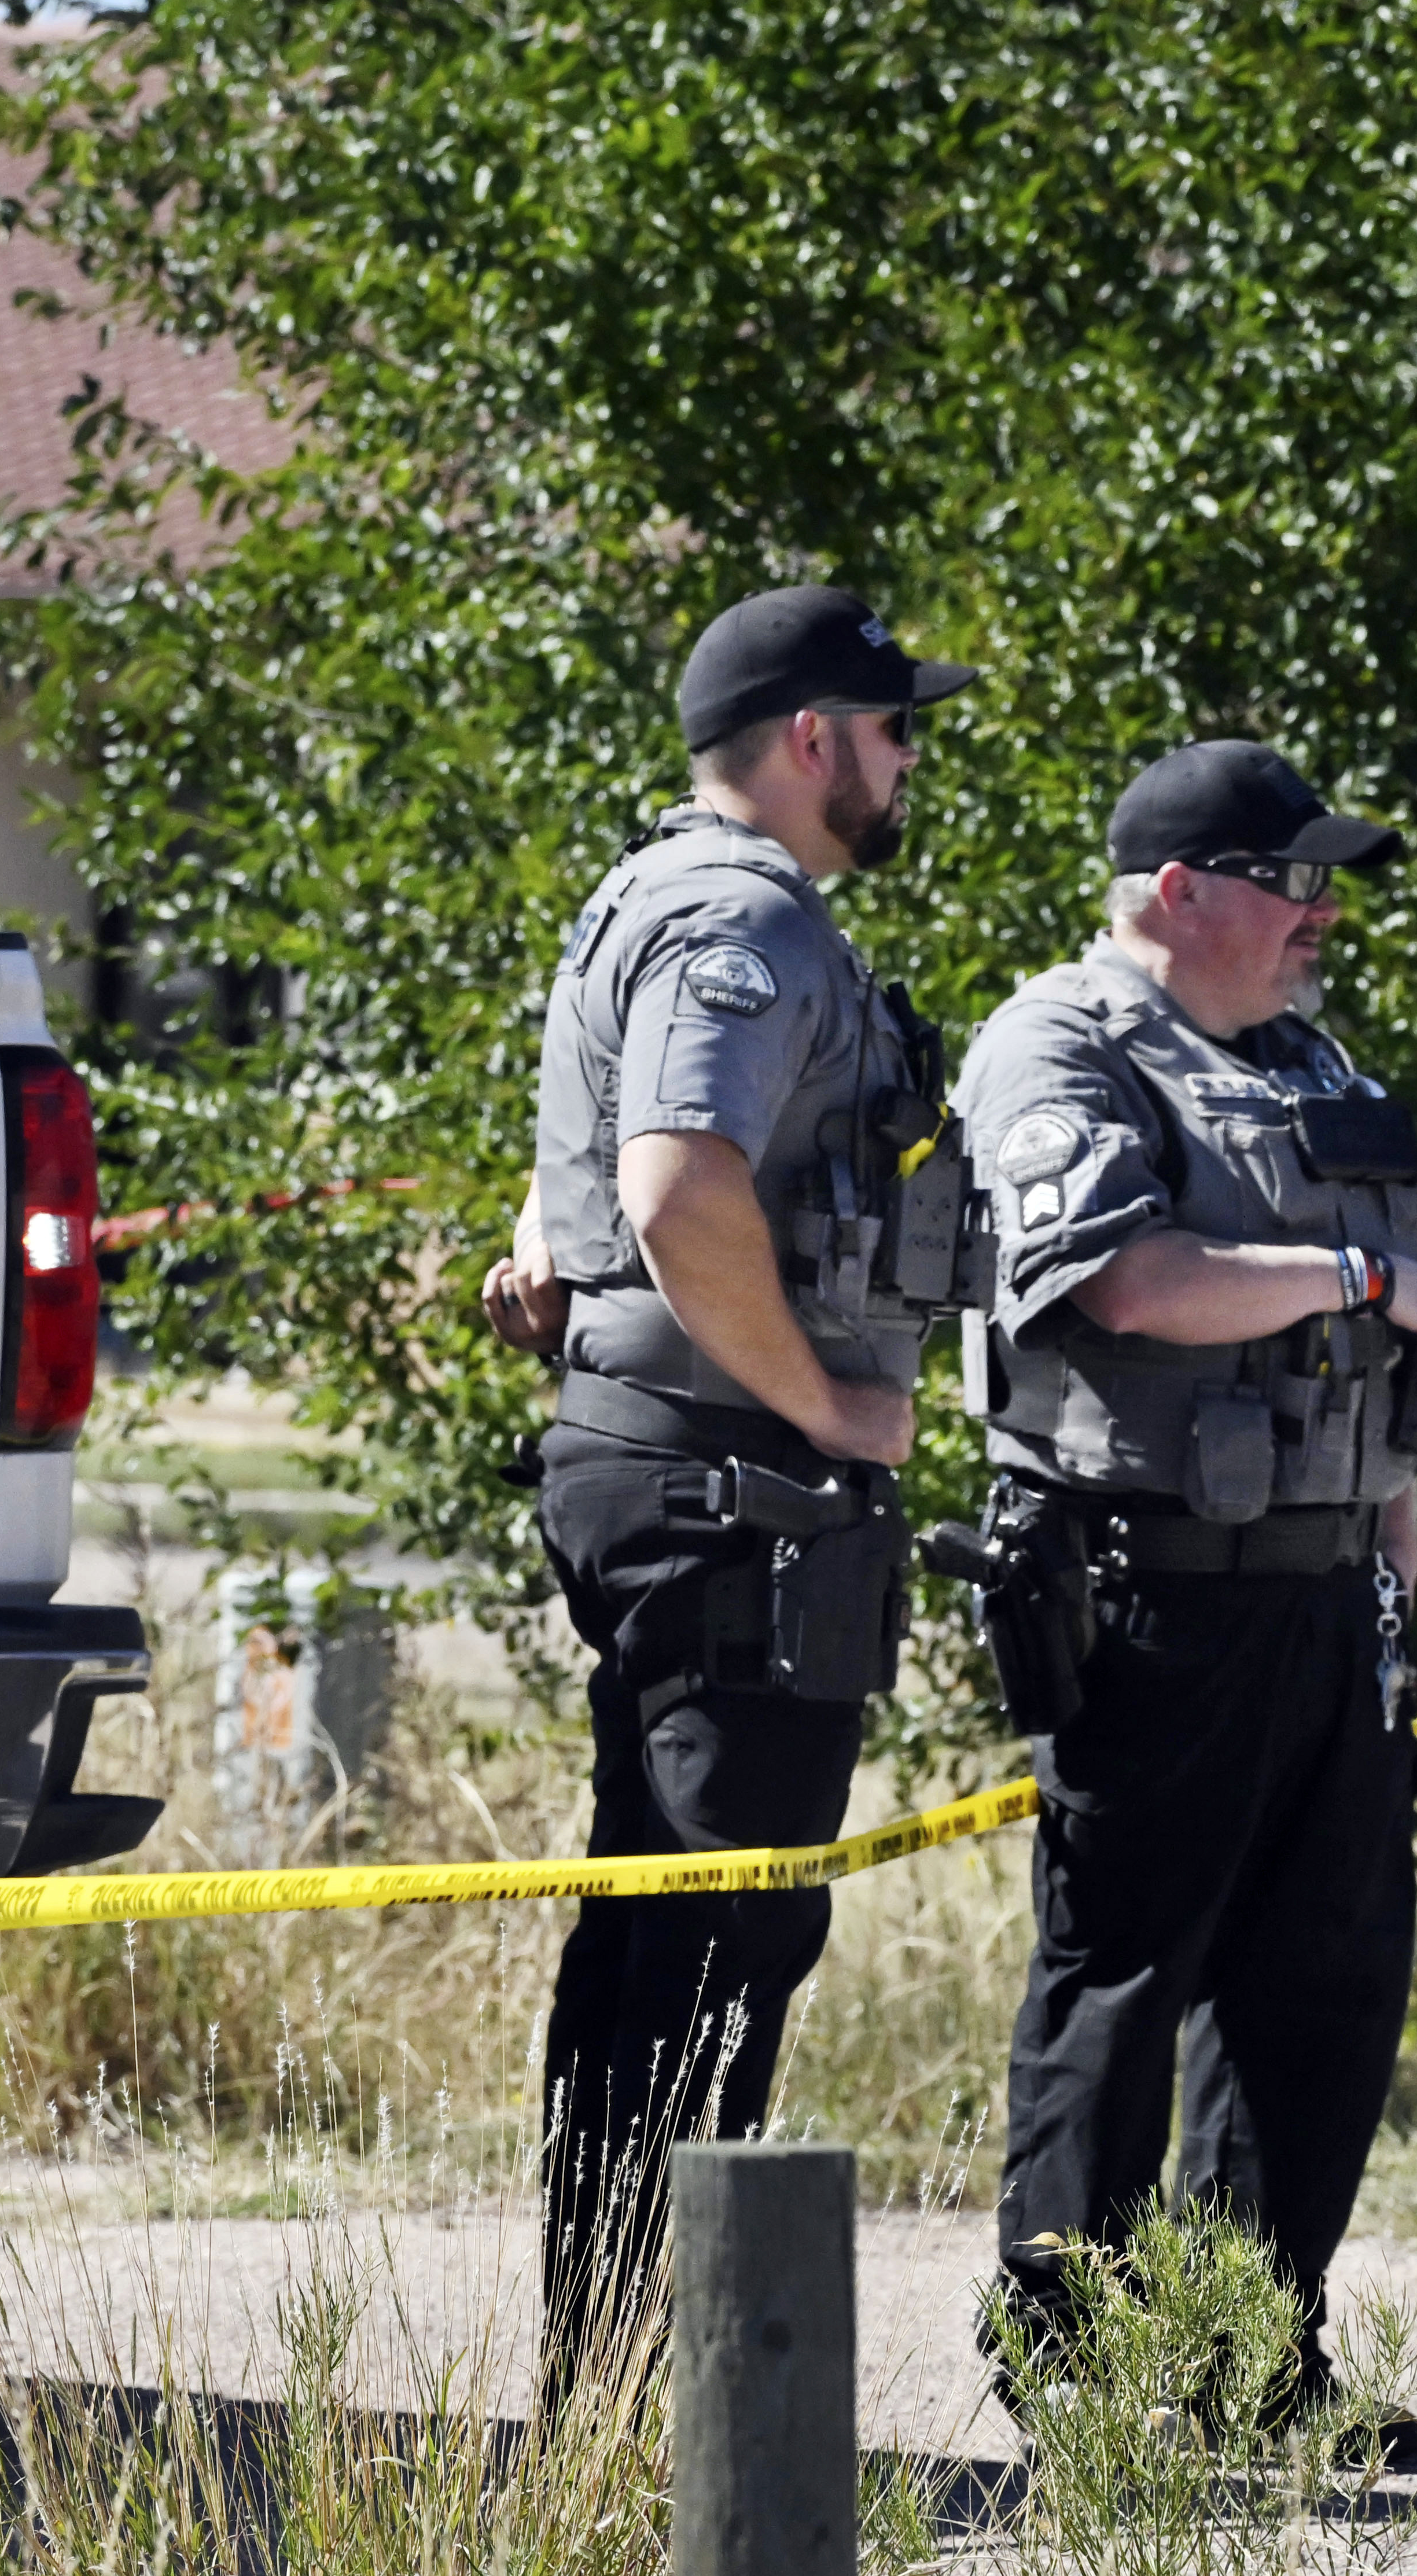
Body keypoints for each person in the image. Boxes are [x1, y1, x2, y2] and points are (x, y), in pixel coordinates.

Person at [949, 738, 1417, 2442]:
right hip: (1153, 1588)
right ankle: (1075, 2369)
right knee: (1120, 1986)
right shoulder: (1061, 1040)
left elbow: (1375, 1356)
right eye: (1287, 878)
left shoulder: (1300, 1054)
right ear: (1180, 890)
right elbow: (1119, 1277)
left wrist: (1393, 1533)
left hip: (1331, 1590)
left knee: (1318, 1989)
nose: (1317, 911)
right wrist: (1359, 1272)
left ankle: (1247, 2359)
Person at [482, 583, 988, 2402]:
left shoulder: (643, 893)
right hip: (731, 1487)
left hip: (665, 1462)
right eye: (892, 728)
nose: (908, 758)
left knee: (657, 1921)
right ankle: (669, 2419)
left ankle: (613, 2386)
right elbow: (676, 1179)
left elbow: (586, 1189)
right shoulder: (746, 920)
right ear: (809, 741)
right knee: (719, 1935)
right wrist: (832, 1407)